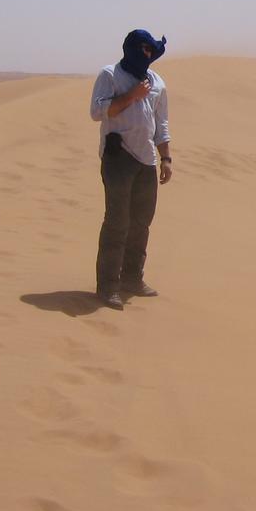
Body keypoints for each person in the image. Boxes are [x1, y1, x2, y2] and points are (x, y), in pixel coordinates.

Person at [89, 29, 172, 310]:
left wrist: (167, 158)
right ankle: (108, 286)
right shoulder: (110, 74)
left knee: (140, 224)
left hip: (147, 160)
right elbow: (96, 112)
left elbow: (161, 124)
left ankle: (132, 279)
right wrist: (131, 96)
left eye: (150, 51)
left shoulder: (158, 82)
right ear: (131, 48)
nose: (146, 55)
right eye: (142, 49)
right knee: (117, 223)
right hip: (118, 158)